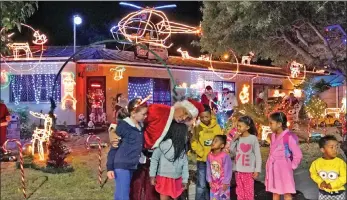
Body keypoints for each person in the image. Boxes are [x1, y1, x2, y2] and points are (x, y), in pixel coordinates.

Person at [111, 99, 204, 200]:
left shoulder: (178, 125)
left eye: (188, 117)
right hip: (139, 157)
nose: (184, 117)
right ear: (179, 106)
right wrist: (113, 132)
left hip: (157, 164)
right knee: (134, 190)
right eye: (185, 112)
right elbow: (132, 115)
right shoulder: (158, 110)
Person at [106, 98, 148, 200]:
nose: (146, 116)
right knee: (122, 195)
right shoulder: (123, 126)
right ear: (133, 113)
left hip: (132, 165)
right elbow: (114, 147)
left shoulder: (140, 126)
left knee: (124, 193)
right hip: (122, 165)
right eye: (143, 114)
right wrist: (110, 167)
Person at [265, 112, 303, 200]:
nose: (269, 125)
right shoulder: (272, 136)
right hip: (273, 168)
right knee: (275, 192)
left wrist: (291, 166)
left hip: (284, 168)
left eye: (271, 123)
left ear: (279, 124)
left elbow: (298, 154)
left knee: (287, 192)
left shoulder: (288, 137)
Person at [149, 122, 189, 200]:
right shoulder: (181, 149)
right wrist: (185, 180)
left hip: (164, 178)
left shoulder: (163, 144)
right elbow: (185, 165)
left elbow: (154, 159)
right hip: (176, 178)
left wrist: (152, 175)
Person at [191, 105, 223, 200]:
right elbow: (193, 142)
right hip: (202, 161)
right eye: (202, 117)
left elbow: (221, 140)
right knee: (201, 185)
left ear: (211, 115)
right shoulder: (197, 127)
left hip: (215, 161)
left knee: (214, 184)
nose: (204, 119)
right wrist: (200, 152)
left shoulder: (217, 127)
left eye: (206, 116)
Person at [230, 116, 262, 200]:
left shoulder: (253, 138)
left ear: (247, 127)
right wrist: (234, 140)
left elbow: (258, 155)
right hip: (238, 171)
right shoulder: (238, 138)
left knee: (248, 193)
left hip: (248, 172)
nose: (238, 128)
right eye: (237, 126)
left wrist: (257, 170)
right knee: (239, 192)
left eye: (240, 126)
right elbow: (232, 152)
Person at [309, 135, 346, 200]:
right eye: (332, 147)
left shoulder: (341, 163)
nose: (335, 149)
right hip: (323, 193)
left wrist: (333, 185)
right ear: (323, 150)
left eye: (337, 147)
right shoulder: (316, 163)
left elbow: (344, 177)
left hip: (339, 193)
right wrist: (320, 182)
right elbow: (313, 174)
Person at [206, 135, 233, 200]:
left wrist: (226, 182)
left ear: (222, 146)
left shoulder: (225, 156)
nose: (213, 142)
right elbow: (208, 169)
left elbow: (228, 170)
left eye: (216, 141)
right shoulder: (209, 155)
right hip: (213, 184)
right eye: (213, 141)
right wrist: (209, 181)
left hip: (223, 184)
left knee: (224, 198)